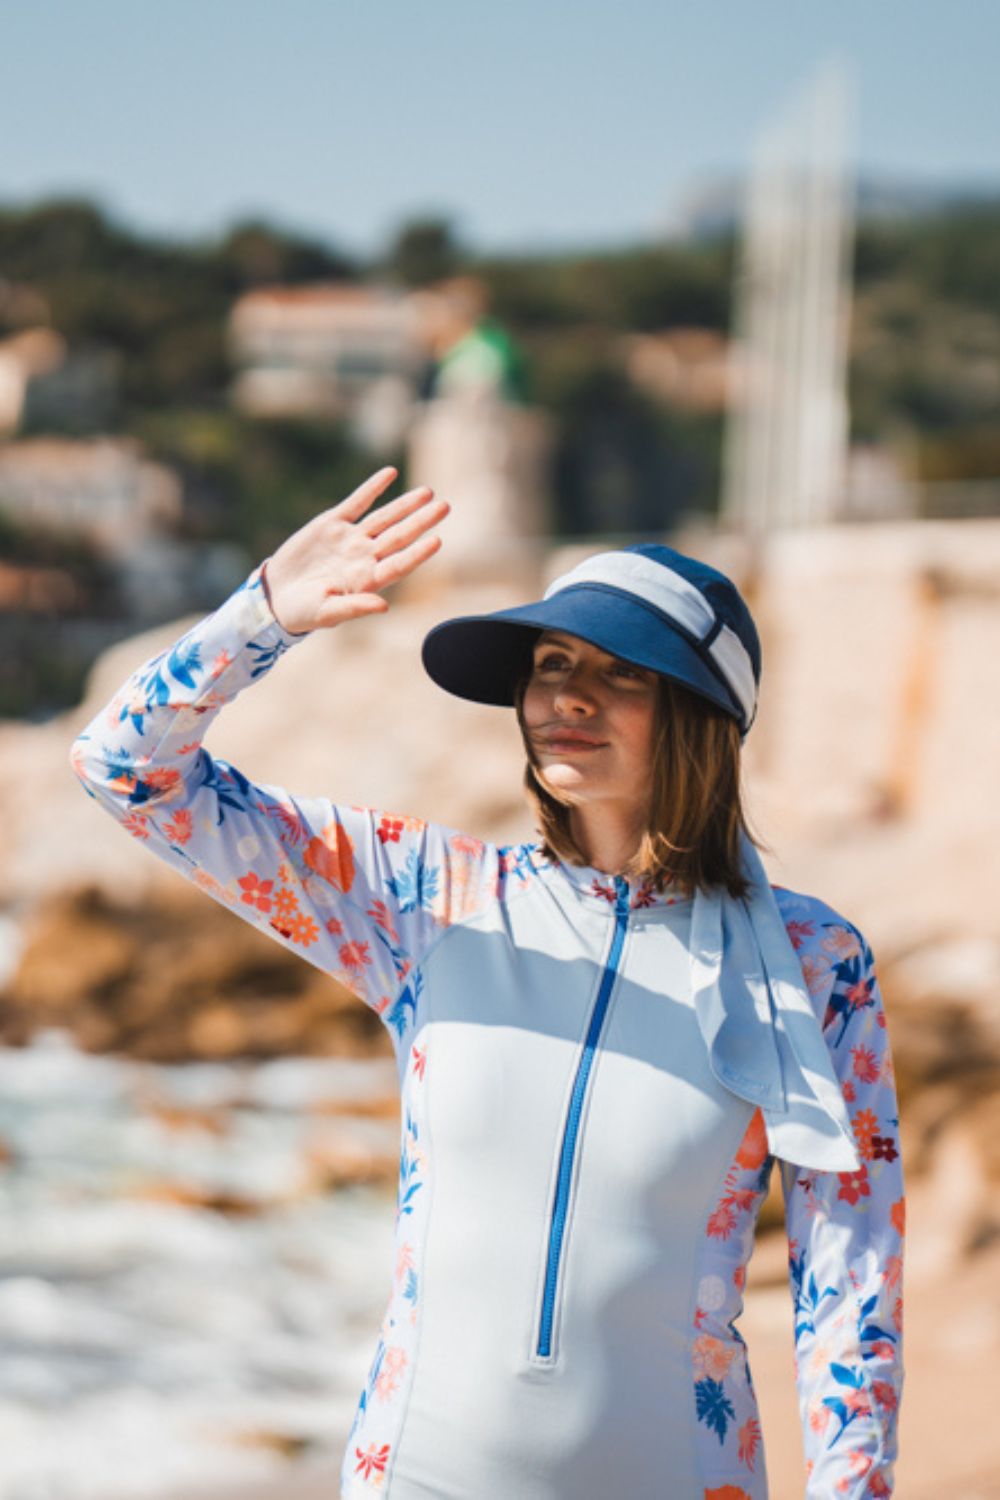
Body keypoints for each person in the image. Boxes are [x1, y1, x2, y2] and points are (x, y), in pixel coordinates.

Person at [70, 466, 905, 1499]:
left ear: (700, 715)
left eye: (621, 673)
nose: (567, 696)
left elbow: (850, 1267)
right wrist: (262, 616)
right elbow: (126, 769)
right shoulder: (426, 900)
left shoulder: (813, 964)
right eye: (552, 664)